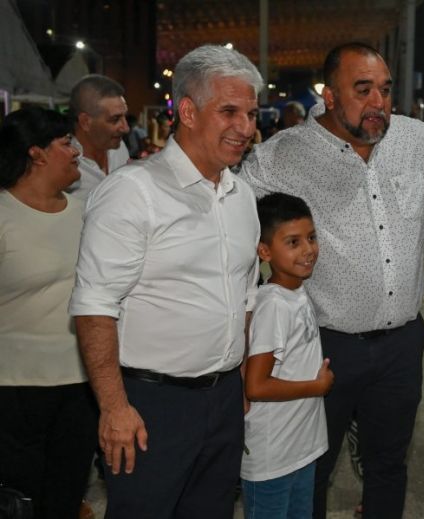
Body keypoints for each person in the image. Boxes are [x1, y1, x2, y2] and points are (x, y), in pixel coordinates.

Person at [239, 42, 424, 519]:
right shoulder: (283, 156)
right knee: (313, 467)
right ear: (329, 95)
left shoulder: (418, 139)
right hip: (324, 346)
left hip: (402, 344)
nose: (377, 102)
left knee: (388, 465)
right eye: (362, 90)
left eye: (384, 90)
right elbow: (232, 226)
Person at [69, 44, 263, 518]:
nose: (246, 127)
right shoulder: (133, 193)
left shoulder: (241, 196)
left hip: (221, 404)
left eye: (252, 114)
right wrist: (114, 408)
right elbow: (94, 305)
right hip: (150, 406)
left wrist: (236, 385)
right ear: (190, 112)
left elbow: (245, 295)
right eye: (230, 111)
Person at [0, 107, 97, 518]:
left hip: (81, 382)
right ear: (36, 153)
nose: (76, 151)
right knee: (20, 500)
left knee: (66, 493)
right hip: (13, 389)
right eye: (65, 143)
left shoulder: (87, 212)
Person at [241, 192, 333, 519]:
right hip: (272, 456)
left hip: (301, 447)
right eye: (293, 242)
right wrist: (316, 387)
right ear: (264, 251)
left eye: (311, 238)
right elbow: (256, 385)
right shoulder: (274, 304)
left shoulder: (297, 291)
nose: (308, 250)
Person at [66, 74, 130, 200]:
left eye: (125, 117)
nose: (126, 128)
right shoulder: (63, 163)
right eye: (115, 119)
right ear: (85, 122)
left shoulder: (119, 147)